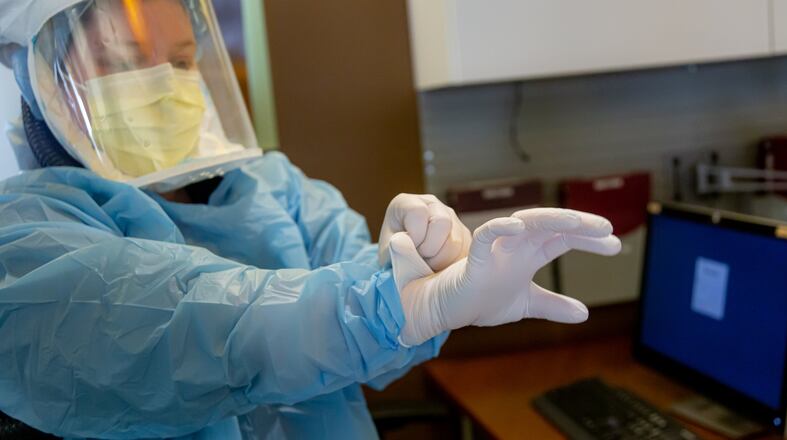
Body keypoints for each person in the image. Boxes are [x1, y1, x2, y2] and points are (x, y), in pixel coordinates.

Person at [0, 0, 622, 438]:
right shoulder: (28, 233)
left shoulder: (274, 188)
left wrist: (421, 272)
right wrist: (386, 308)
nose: (162, 85)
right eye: (123, 61)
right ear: (40, 75)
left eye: (183, 62)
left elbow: (379, 349)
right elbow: (182, 326)